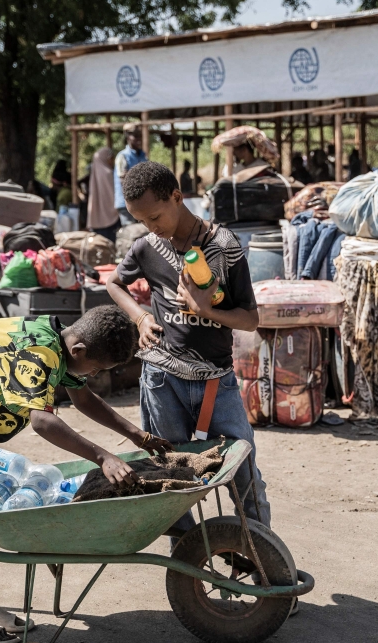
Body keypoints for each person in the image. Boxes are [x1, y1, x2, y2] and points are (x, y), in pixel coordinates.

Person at [0, 307, 170, 643]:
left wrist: (137, 436)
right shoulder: (37, 354)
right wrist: (102, 456)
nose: (95, 374)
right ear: (79, 350)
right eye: (97, 368)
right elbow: (42, 422)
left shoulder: (61, 344)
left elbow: (83, 398)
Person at [105, 161, 270, 536]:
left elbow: (250, 319)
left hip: (217, 383)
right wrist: (140, 318)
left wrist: (207, 309)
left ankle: (261, 556)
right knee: (171, 476)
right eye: (141, 221)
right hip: (162, 382)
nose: (151, 227)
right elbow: (115, 283)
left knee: (243, 473)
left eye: (155, 216)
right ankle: (189, 568)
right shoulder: (147, 247)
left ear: (177, 197)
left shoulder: (225, 246)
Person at [114, 123, 148, 226]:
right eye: (135, 136)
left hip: (141, 202)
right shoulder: (123, 156)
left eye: (140, 136)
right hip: (126, 204)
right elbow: (123, 182)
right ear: (127, 137)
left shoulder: (142, 156)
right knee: (131, 234)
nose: (139, 139)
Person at [87, 147, 120, 242]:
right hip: (112, 217)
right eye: (111, 158)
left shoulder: (94, 173)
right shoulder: (110, 173)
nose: (112, 161)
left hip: (96, 218)